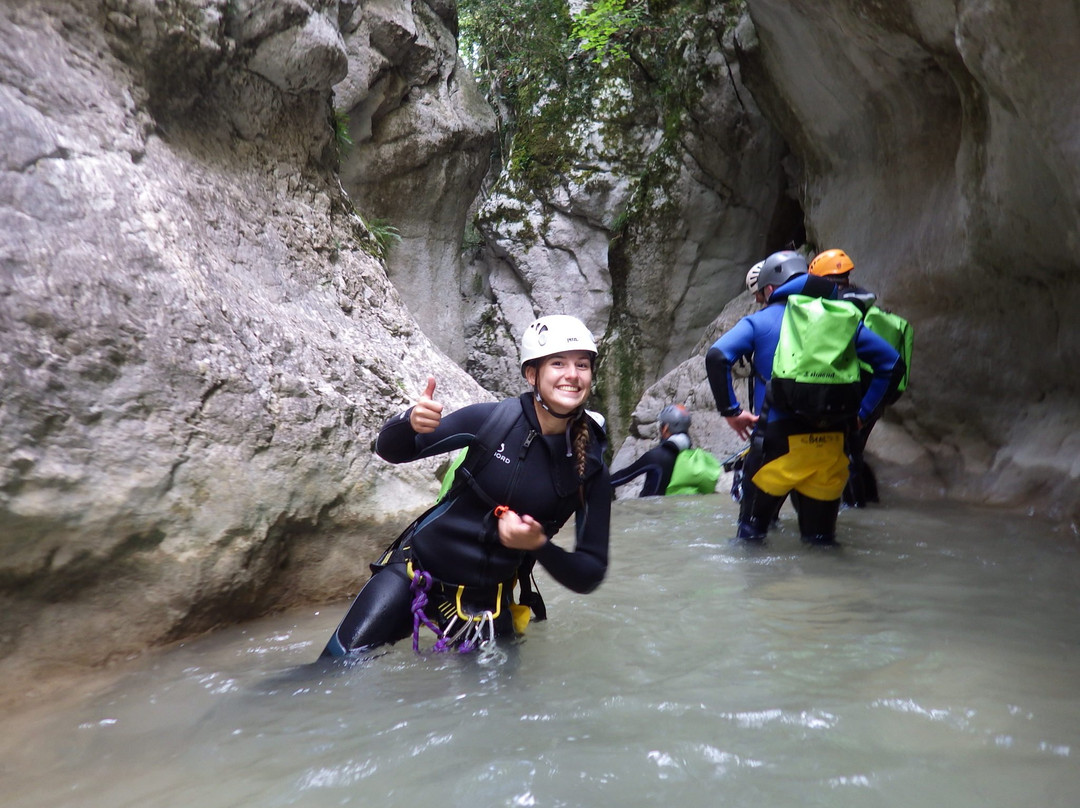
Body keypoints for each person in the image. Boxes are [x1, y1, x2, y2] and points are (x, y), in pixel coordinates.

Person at [321, 315, 611, 658]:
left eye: (582, 364)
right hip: (414, 576)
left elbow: (590, 573)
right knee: (333, 669)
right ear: (532, 375)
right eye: (558, 363)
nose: (573, 374)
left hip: (486, 601)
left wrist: (538, 545)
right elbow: (391, 450)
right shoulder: (494, 421)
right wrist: (409, 421)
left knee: (495, 710)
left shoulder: (589, 467)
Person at [705, 249, 901, 545]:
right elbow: (892, 364)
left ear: (770, 288)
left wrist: (731, 411)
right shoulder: (842, 319)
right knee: (821, 542)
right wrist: (862, 415)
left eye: (761, 292)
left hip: (776, 446)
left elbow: (717, 356)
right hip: (830, 448)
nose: (761, 298)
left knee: (751, 540)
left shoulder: (761, 321)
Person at [809, 248, 910, 506]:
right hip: (876, 389)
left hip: (855, 388)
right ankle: (865, 505)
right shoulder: (861, 300)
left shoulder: (839, 308)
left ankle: (854, 510)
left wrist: (861, 413)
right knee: (853, 449)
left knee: (847, 453)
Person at [610, 404, 718, 496]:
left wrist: (597, 484)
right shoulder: (692, 455)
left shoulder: (656, 456)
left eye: (661, 425)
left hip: (649, 513)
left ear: (665, 428)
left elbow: (624, 476)